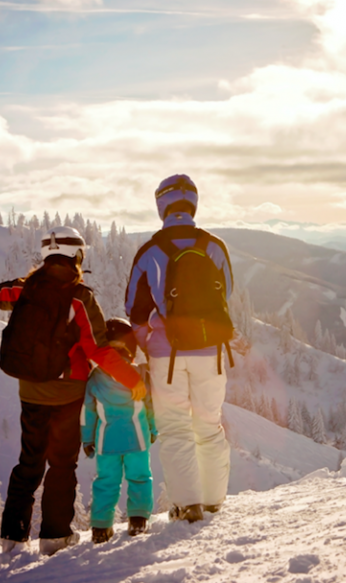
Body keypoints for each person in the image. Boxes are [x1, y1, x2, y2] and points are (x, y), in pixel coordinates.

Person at [0, 226, 143, 556]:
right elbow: (98, 349)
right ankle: (54, 537)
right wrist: (132, 379)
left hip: (31, 391)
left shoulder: (25, 289)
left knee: (29, 462)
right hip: (67, 394)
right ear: (77, 256)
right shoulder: (79, 297)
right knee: (62, 464)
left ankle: (13, 537)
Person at [125, 174, 234, 523]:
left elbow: (134, 309)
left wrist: (150, 343)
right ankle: (214, 500)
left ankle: (188, 505)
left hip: (167, 355)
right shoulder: (214, 245)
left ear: (161, 205)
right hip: (211, 352)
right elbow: (226, 294)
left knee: (175, 429)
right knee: (209, 425)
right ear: (193, 203)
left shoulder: (150, 250)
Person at [82, 318, 156, 543]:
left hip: (106, 442)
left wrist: (87, 439)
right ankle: (138, 519)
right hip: (138, 438)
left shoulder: (95, 378)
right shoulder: (140, 375)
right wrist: (153, 429)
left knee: (106, 481)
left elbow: (88, 413)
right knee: (140, 478)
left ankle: (101, 527)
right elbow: (151, 405)